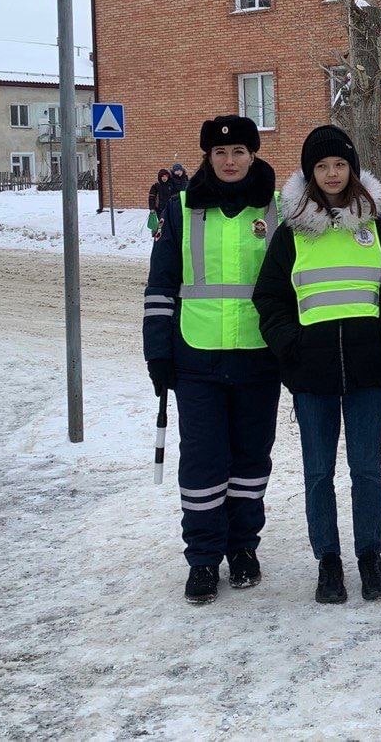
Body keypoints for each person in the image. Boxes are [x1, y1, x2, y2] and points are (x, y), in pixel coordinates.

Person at [253, 125, 381, 605]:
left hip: (368, 373)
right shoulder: (290, 233)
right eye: (321, 166)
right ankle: (328, 562)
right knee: (318, 473)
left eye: (339, 165)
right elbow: (270, 299)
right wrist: (290, 346)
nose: (331, 174)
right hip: (311, 376)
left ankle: (370, 557)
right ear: (309, 172)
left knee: (367, 470)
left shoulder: (375, 227)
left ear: (352, 169)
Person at [142, 116, 283, 605]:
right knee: (203, 463)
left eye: (240, 152)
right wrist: (158, 350)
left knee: (250, 461)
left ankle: (243, 548)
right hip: (196, 357)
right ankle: (203, 558)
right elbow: (161, 285)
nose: (230, 161)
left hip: (259, 358)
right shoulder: (182, 207)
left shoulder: (276, 208)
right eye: (221, 153)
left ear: (253, 155)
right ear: (208, 157)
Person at [147, 168, 174, 237]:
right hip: (159, 208)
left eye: (166, 176)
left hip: (169, 208)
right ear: (160, 177)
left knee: (169, 223)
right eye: (162, 176)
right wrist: (152, 208)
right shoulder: (156, 186)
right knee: (161, 223)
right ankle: (159, 235)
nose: (164, 178)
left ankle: (168, 236)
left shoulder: (170, 185)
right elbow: (151, 198)